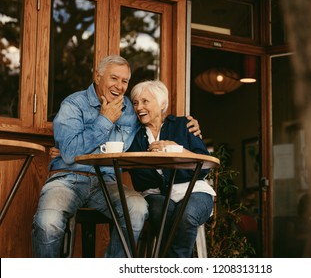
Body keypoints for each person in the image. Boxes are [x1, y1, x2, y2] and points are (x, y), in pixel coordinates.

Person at [32, 55, 201, 258]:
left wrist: (186, 125)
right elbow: (69, 153)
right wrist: (104, 120)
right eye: (114, 78)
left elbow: (156, 121)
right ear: (97, 76)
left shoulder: (131, 109)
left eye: (125, 81)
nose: (119, 86)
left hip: (108, 182)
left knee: (137, 209)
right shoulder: (73, 104)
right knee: (48, 221)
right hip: (68, 178)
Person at [128, 80, 216, 258]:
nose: (139, 107)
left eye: (145, 101)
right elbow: (137, 177)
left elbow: (205, 166)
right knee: (163, 216)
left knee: (186, 215)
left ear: (161, 104)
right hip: (156, 195)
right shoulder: (134, 136)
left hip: (194, 191)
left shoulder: (183, 125)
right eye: (135, 103)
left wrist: (178, 150)